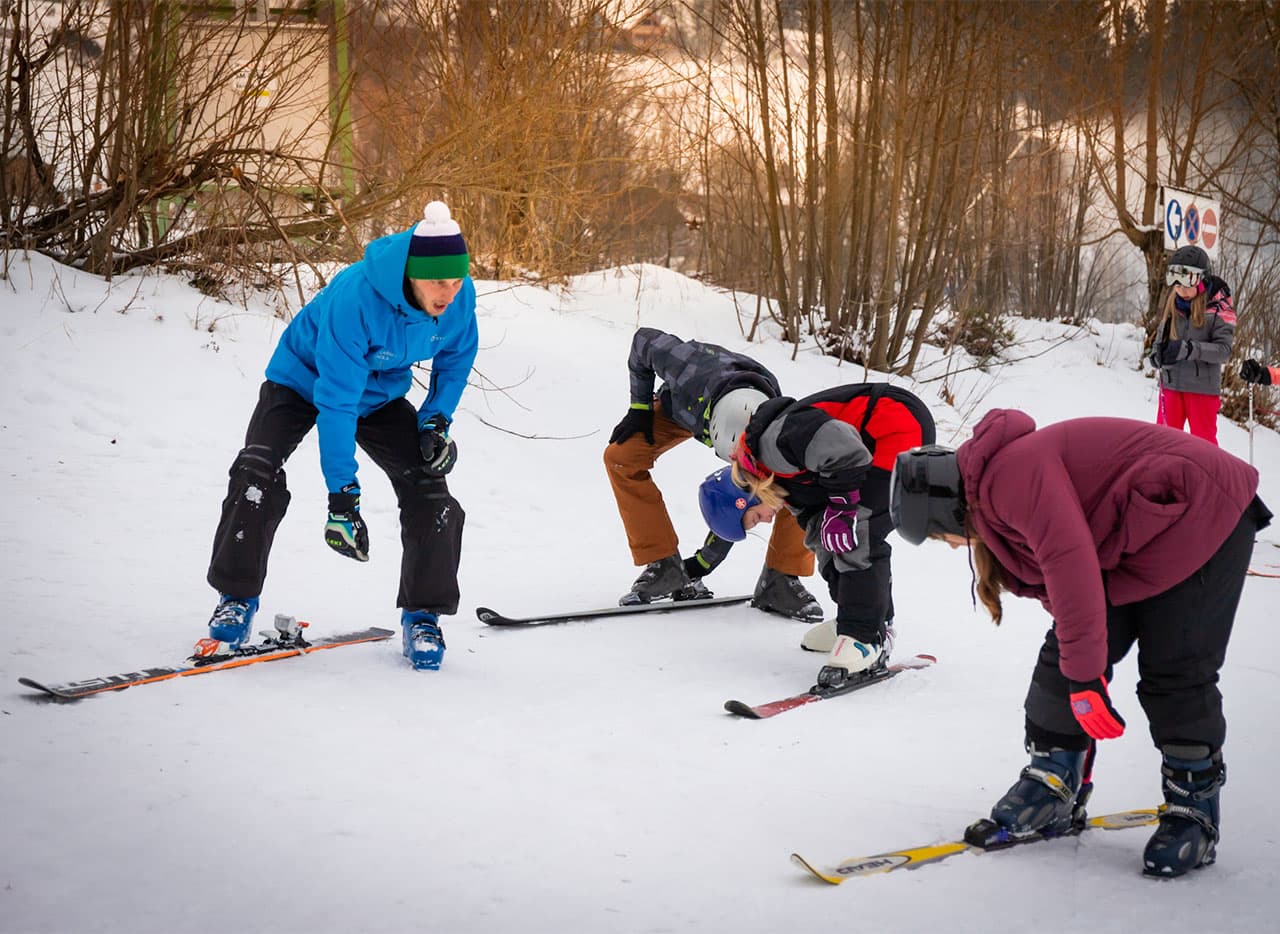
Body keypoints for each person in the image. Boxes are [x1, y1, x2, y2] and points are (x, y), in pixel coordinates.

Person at [889, 408, 1271, 878]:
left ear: (947, 509)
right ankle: (1053, 781)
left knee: (1175, 668)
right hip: (1145, 530)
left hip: (1206, 511)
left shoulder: (1008, 480)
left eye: (940, 536)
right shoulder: (996, 485)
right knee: (1064, 656)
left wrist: (1087, 678)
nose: (951, 546)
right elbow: (1069, 590)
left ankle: (1194, 807)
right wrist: (1081, 668)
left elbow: (1069, 564)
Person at [202, 202, 477, 671]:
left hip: (377, 393)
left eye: (455, 281)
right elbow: (337, 403)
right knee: (256, 472)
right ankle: (236, 597)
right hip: (302, 380)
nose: (448, 293)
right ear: (411, 274)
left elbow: (456, 359)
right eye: (438, 283)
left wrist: (436, 420)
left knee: (432, 492)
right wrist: (342, 497)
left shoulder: (458, 297)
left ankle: (423, 615)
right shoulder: (357, 298)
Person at [697, 383, 936, 685]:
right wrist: (847, 599)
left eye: (755, 518)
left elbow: (846, 452)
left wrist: (843, 507)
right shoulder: (785, 486)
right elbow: (820, 537)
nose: (766, 521)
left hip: (897, 423)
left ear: (748, 494)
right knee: (832, 537)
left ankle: (865, 636)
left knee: (857, 528)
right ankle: (859, 619)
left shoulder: (774, 445)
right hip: (875, 441)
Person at [604, 327, 822, 619]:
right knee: (621, 457)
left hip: (753, 417)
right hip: (685, 403)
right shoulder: (684, 367)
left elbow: (739, 502)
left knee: (801, 476)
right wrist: (639, 407)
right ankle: (664, 566)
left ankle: (781, 579)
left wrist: (703, 563)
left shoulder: (778, 427)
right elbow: (643, 339)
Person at [1149, 244, 1236, 445]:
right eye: (1176, 283)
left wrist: (1189, 349)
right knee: (1163, 441)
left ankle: (1205, 469)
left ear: (1202, 280)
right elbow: (1160, 339)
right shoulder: (1173, 304)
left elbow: (1224, 351)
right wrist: (1156, 355)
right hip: (1171, 384)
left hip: (1201, 389)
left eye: (1187, 282)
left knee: (1202, 444)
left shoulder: (1218, 308)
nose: (1181, 290)